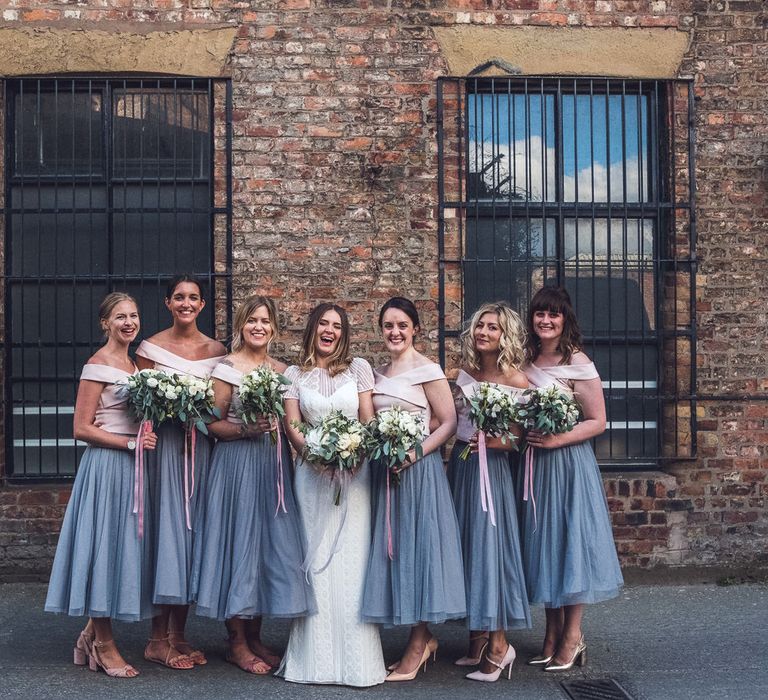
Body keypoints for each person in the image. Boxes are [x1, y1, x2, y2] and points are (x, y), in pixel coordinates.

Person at [193, 295, 315, 674]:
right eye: (251, 321)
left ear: (274, 328)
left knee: (268, 546)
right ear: (241, 327)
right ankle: (237, 642)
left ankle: (257, 635)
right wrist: (247, 429)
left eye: (265, 321)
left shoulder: (285, 370)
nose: (258, 327)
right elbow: (210, 424)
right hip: (237, 466)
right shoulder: (226, 369)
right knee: (239, 544)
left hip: (273, 464)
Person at [45, 293, 158, 678]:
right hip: (108, 467)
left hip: (134, 469)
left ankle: (90, 636)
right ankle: (105, 644)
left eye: (134, 315)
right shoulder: (97, 364)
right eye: (120, 317)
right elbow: (80, 428)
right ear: (105, 323)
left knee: (121, 549)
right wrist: (129, 443)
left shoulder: (136, 363)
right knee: (104, 549)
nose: (128, 322)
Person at [276, 303, 386, 687]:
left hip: (355, 477)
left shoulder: (358, 368)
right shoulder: (293, 374)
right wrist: (314, 457)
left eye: (337, 326)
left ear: (343, 333)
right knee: (316, 556)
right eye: (323, 323)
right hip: (311, 476)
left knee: (352, 559)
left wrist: (358, 454)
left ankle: (359, 662)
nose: (330, 330)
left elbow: (368, 419)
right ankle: (313, 661)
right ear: (313, 328)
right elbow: (292, 424)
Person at [362, 297, 465, 682]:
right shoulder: (375, 373)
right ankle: (422, 638)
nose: (395, 332)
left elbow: (448, 422)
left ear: (415, 329)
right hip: (385, 472)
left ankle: (419, 644)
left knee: (420, 552)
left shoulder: (428, 370)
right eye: (388, 325)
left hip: (419, 473)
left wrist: (415, 452)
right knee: (397, 551)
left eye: (402, 325)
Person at [521, 286, 624, 672]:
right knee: (544, 542)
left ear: (565, 320)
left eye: (553, 314)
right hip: (534, 465)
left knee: (571, 543)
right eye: (539, 314)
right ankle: (550, 632)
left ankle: (573, 636)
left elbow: (598, 421)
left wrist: (557, 438)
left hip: (567, 463)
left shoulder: (578, 362)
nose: (545, 321)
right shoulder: (526, 360)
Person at [136, 275, 226, 670]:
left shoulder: (218, 351)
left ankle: (179, 634)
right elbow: (136, 404)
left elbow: (220, 408)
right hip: (165, 451)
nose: (186, 303)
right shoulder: (149, 348)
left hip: (201, 450)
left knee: (193, 536)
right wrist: (168, 410)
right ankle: (156, 637)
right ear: (168, 303)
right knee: (165, 535)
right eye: (179, 297)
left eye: (193, 297)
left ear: (202, 304)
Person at [447, 302, 532, 681]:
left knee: (489, 551)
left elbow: (516, 439)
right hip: (462, 466)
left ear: (505, 336)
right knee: (466, 545)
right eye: (480, 325)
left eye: (492, 328)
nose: (483, 332)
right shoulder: (464, 373)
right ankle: (477, 639)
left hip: (491, 472)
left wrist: (487, 440)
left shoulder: (516, 381)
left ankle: (500, 647)